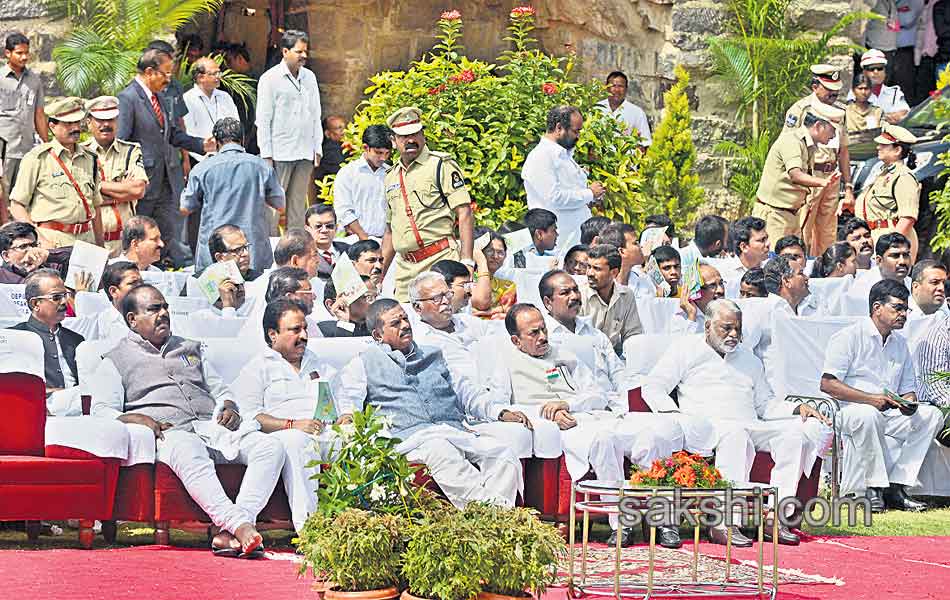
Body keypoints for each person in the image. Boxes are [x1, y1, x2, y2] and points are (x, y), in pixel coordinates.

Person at [644, 299, 832, 546]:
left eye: (738, 329)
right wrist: (674, 416)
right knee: (736, 435)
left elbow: (765, 405)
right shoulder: (685, 349)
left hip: (751, 423)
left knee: (795, 436)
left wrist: (796, 408)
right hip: (707, 427)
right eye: (726, 328)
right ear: (708, 326)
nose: (734, 335)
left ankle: (775, 519)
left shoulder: (749, 359)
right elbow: (653, 387)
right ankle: (723, 523)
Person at [491, 303, 661, 547]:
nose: (542, 337)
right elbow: (505, 408)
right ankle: (620, 524)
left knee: (651, 436)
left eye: (543, 329)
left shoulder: (564, 355)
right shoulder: (505, 363)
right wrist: (547, 414)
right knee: (604, 441)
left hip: (590, 416)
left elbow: (598, 394)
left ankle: (663, 521)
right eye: (534, 333)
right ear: (516, 341)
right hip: (564, 429)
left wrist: (567, 404)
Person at [334, 298, 523, 508]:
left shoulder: (434, 355)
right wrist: (347, 416)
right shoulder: (363, 363)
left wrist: (499, 412)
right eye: (395, 324)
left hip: (452, 430)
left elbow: (467, 392)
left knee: (502, 453)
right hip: (408, 439)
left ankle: (489, 524)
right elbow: (349, 403)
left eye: (405, 319)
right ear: (378, 335)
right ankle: (499, 519)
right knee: (441, 450)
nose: (405, 325)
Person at [820, 279, 943, 511]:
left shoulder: (901, 344)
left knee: (932, 415)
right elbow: (827, 384)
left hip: (888, 413)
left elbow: (908, 389)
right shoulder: (849, 337)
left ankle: (897, 485)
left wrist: (908, 403)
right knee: (869, 414)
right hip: (850, 412)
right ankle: (874, 489)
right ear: (877, 308)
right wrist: (871, 399)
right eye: (898, 308)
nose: (904, 314)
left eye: (906, 309)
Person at [231, 298, 341, 533]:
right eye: (294, 330)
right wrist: (292, 424)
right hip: (285, 434)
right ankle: (309, 531)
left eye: (305, 329)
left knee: (364, 439)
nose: (304, 336)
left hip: (326, 432)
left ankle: (371, 526)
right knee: (298, 442)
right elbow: (251, 417)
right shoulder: (258, 367)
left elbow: (339, 404)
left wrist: (345, 418)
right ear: (273, 334)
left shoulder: (319, 364)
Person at [409, 271, 534, 458]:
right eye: (437, 298)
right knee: (519, 435)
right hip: (468, 416)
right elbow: (459, 389)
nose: (445, 301)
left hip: (505, 398)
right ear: (417, 308)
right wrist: (497, 411)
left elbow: (509, 337)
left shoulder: (468, 323)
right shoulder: (422, 345)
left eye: (447, 294)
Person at [118, 47, 213, 267]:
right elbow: (122, 142)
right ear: (150, 72)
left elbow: (173, 134)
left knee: (164, 234)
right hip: (143, 182)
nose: (169, 78)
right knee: (139, 236)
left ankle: (159, 272)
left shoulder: (159, 97)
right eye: (166, 73)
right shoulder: (128, 97)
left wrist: (201, 145)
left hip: (166, 180)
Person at [380, 106, 475, 301]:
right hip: (406, 268)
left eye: (415, 134)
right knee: (405, 323)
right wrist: (379, 274)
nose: (411, 140)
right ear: (393, 140)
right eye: (404, 136)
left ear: (423, 134)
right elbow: (390, 230)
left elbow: (464, 213)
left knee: (446, 316)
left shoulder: (440, 165)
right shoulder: (390, 176)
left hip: (440, 260)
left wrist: (467, 261)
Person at [180, 117, 284, 273]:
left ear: (216, 142)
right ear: (242, 140)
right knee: (254, 293)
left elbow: (185, 207)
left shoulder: (202, 168)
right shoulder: (262, 166)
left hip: (216, 253)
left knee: (215, 295)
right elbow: (280, 205)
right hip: (252, 251)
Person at [9, 97, 105, 247]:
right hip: (53, 242)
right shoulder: (37, 158)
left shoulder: (90, 158)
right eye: (68, 123)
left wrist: (100, 246)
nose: (75, 128)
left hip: (87, 241)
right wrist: (40, 240)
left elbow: (96, 207)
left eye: (77, 122)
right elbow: (17, 206)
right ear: (52, 126)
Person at [784, 64, 855, 256]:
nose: (833, 95)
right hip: (810, 175)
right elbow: (789, 144)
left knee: (828, 232)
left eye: (836, 91)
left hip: (831, 176)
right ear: (815, 86)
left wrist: (848, 186)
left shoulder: (839, 111)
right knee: (803, 229)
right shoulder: (800, 109)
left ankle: (826, 271)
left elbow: (844, 150)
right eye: (829, 90)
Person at [256, 30, 323, 232]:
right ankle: (268, 249)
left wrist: (317, 147)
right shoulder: (270, 79)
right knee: (273, 207)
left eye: (305, 51)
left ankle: (295, 250)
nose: (304, 55)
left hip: (304, 151)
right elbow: (263, 119)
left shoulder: (309, 77)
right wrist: (266, 155)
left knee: (297, 207)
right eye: (299, 51)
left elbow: (315, 114)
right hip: (280, 153)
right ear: (285, 51)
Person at [755, 103, 843, 248]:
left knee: (793, 261)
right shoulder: (792, 141)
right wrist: (822, 182)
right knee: (774, 262)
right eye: (832, 130)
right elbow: (795, 175)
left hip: (791, 214)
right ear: (818, 126)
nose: (833, 136)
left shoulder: (808, 146)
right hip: (774, 215)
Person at [521, 106, 605, 246]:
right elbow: (555, 198)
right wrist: (589, 193)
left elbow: (572, 192)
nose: (578, 136)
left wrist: (591, 197)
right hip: (560, 244)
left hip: (575, 240)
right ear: (559, 128)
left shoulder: (563, 155)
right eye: (575, 131)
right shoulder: (541, 156)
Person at [9, 269, 84, 416]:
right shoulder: (15, 337)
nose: (64, 302)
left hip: (80, 406)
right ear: (36, 303)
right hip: (40, 406)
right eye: (56, 297)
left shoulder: (76, 339)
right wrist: (49, 391)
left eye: (65, 295)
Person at [82, 96, 148, 257]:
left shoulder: (131, 151)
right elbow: (80, 196)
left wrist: (96, 187)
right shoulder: (80, 153)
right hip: (89, 241)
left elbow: (138, 189)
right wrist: (123, 191)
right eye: (100, 120)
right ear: (89, 122)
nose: (106, 125)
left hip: (123, 242)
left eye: (111, 119)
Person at [855, 124, 921, 261]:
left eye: (884, 145)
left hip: (893, 238)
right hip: (877, 235)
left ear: (897, 150)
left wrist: (890, 246)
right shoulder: (884, 174)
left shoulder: (903, 176)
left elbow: (907, 217)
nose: (878, 147)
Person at [0, 32, 47, 219]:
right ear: (7, 53)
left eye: (26, 53)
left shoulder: (34, 80)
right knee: (1, 197)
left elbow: (39, 115)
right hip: (4, 150)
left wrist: (47, 144)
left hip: (27, 150)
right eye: (19, 53)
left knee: (23, 197)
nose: (24, 57)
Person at [333, 124, 392, 240]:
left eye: (387, 153)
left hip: (387, 241)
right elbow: (344, 211)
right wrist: (364, 238)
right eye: (379, 153)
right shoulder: (347, 173)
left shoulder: (391, 173)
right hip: (355, 241)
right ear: (365, 148)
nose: (383, 158)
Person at [581, 244, 643, 354]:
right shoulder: (579, 294)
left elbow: (632, 335)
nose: (589, 273)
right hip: (585, 357)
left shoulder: (626, 295)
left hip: (614, 359)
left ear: (614, 272)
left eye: (597, 269)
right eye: (589, 267)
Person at [182, 57, 240, 163]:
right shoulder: (188, 99)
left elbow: (236, 125)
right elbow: (188, 134)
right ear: (200, 77)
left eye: (219, 73)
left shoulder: (225, 96)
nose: (218, 77)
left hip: (228, 157)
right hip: (200, 159)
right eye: (214, 74)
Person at [71, 260, 143, 342]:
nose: (142, 287)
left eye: (142, 282)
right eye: (133, 283)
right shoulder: (103, 325)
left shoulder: (150, 315)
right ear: (113, 291)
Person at [852, 49, 911, 124]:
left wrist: (875, 117)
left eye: (880, 68)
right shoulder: (854, 93)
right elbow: (855, 119)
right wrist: (889, 117)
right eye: (871, 69)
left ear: (885, 71)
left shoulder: (895, 93)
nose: (876, 72)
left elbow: (904, 115)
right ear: (864, 72)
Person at [0, 222, 71, 284]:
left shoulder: (54, 266)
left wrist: (49, 255)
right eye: (23, 246)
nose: (32, 250)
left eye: (34, 245)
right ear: (6, 256)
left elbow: (78, 254)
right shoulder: (3, 277)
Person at [595, 71, 652, 146]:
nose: (617, 90)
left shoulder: (637, 113)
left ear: (626, 89)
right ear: (607, 87)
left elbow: (645, 143)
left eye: (620, 86)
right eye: (613, 86)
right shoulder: (596, 108)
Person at [470, 230, 516, 319]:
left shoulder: (507, 286)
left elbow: (510, 313)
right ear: (479, 252)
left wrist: (485, 312)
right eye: (490, 251)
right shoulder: (467, 280)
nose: (495, 256)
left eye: (500, 252)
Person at [720, 217, 770, 298]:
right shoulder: (724, 274)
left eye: (767, 238)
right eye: (762, 240)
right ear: (744, 247)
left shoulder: (771, 269)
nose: (768, 244)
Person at [671, 263, 726, 334]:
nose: (721, 290)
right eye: (712, 285)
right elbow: (683, 344)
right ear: (696, 291)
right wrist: (691, 317)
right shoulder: (681, 319)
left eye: (721, 283)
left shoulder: (728, 312)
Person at [305, 204, 349, 280]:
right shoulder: (303, 256)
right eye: (318, 226)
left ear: (336, 228)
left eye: (329, 226)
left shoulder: (349, 250)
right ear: (307, 229)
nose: (324, 230)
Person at [313, 115, 347, 181]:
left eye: (344, 127)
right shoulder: (329, 149)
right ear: (328, 134)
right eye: (339, 128)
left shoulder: (343, 145)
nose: (344, 131)